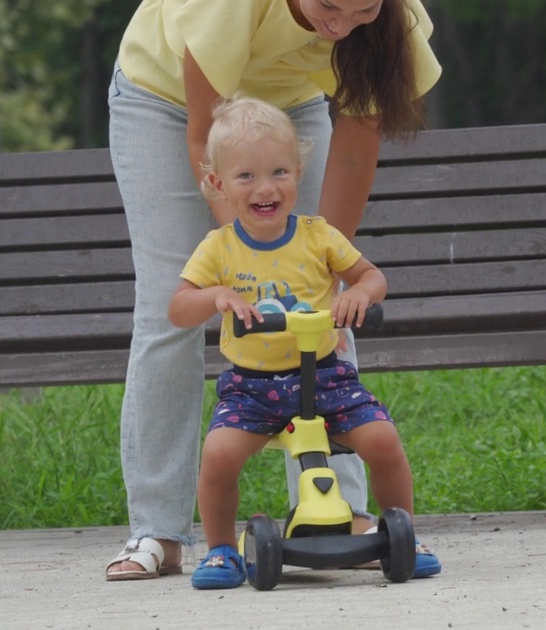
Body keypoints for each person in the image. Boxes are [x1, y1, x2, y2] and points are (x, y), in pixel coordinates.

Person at [104, 0, 443, 581]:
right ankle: (158, 529)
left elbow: (358, 142)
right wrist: (241, 262)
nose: (340, 24)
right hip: (168, 103)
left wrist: (319, 268)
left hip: (288, 106)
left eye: (360, 9)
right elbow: (203, 132)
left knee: (320, 302)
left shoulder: (392, 20)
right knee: (171, 310)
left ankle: (346, 517)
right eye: (328, 6)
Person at [168, 96, 417, 589]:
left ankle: (401, 532)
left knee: (383, 440)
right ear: (217, 184)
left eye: (279, 171)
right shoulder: (219, 248)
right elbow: (178, 307)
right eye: (246, 177)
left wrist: (360, 295)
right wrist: (216, 296)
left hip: (325, 374)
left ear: (299, 173)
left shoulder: (318, 236)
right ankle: (220, 549)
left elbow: (371, 277)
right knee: (218, 455)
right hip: (252, 387)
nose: (266, 187)